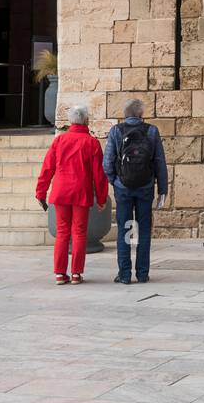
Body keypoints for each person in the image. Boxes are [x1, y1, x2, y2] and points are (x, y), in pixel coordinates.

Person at [35, 104, 109, 285]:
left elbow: (47, 168)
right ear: (86, 120)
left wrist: (41, 192)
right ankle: (76, 273)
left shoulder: (59, 141)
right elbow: (99, 174)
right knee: (79, 232)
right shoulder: (91, 143)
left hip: (61, 191)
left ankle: (60, 273)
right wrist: (101, 198)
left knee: (62, 232)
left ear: (70, 121)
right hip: (81, 192)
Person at [103, 99, 168, 285]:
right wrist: (163, 188)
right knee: (144, 229)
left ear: (125, 114)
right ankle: (142, 273)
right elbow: (159, 162)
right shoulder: (152, 131)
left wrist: (114, 181)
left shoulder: (116, 131)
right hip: (146, 187)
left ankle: (124, 274)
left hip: (123, 188)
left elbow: (107, 163)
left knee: (125, 229)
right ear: (140, 115)